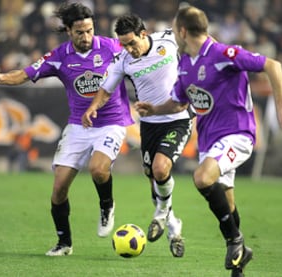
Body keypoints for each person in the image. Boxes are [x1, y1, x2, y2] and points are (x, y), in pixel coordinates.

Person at [134, 6, 282, 277]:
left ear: (183, 31)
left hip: (237, 134)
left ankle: (235, 242)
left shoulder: (224, 54)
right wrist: (154, 109)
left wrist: (281, 107)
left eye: (175, 30)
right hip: (209, 141)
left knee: (202, 178)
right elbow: (177, 103)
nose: (174, 35)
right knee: (228, 204)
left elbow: (272, 65)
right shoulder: (185, 63)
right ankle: (239, 264)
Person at [0, 2, 133, 256]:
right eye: (80, 32)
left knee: (98, 169)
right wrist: (2, 77)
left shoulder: (111, 47)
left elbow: (138, 57)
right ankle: (64, 243)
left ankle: (106, 205)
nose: (86, 36)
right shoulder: (60, 55)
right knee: (58, 189)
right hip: (78, 125)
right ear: (68, 31)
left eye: (89, 30)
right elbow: (26, 73)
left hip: (112, 122)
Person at [82, 13, 193, 258]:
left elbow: (200, 42)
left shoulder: (168, 39)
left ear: (144, 34)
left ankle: (161, 214)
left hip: (178, 119)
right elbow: (105, 89)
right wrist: (92, 108)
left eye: (132, 43)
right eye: (123, 44)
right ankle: (174, 227)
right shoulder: (123, 60)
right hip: (149, 125)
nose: (129, 49)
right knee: (153, 179)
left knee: (161, 169)